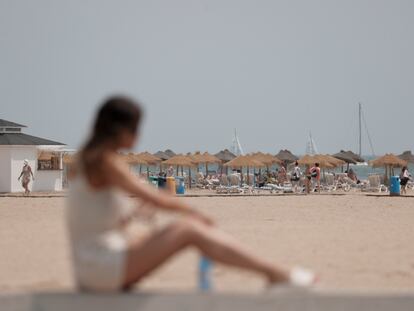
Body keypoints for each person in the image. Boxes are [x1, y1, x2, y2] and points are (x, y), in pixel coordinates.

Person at [66, 96, 315, 292]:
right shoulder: (106, 162)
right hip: (102, 268)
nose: (138, 135)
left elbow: (95, 222)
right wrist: (196, 213)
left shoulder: (86, 161)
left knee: (177, 230)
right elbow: (156, 197)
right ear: (121, 130)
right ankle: (275, 273)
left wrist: (131, 216)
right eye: (136, 128)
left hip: (91, 267)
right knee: (189, 229)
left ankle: (274, 273)